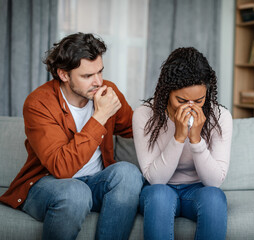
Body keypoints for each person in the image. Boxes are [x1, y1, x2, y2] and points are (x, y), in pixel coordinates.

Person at [0, 33, 144, 240]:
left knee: (128, 173)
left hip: (95, 183)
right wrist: (100, 116)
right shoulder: (38, 104)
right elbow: (62, 168)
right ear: (64, 74)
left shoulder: (108, 93)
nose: (98, 82)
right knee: (75, 192)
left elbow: (137, 129)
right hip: (48, 185)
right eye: (87, 76)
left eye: (100, 72)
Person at [132, 47, 233, 240]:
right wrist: (178, 137)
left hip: (197, 190)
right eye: (181, 100)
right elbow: (156, 180)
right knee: (160, 196)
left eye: (199, 100)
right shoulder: (144, 114)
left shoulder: (220, 117)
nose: (190, 107)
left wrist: (196, 140)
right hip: (159, 190)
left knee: (214, 197)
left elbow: (214, 182)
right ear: (167, 92)